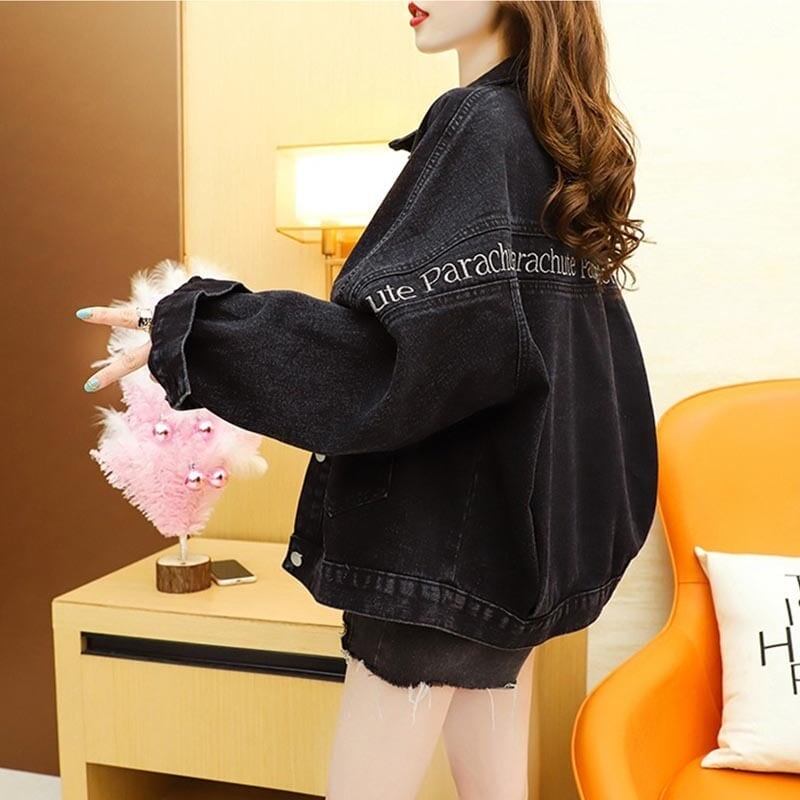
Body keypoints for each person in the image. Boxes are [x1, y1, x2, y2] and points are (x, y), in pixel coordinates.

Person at [75, 2, 659, 798]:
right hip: (516, 540)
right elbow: (542, 356)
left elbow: (396, 356)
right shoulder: (547, 140)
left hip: (438, 537)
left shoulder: (478, 126)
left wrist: (194, 327)